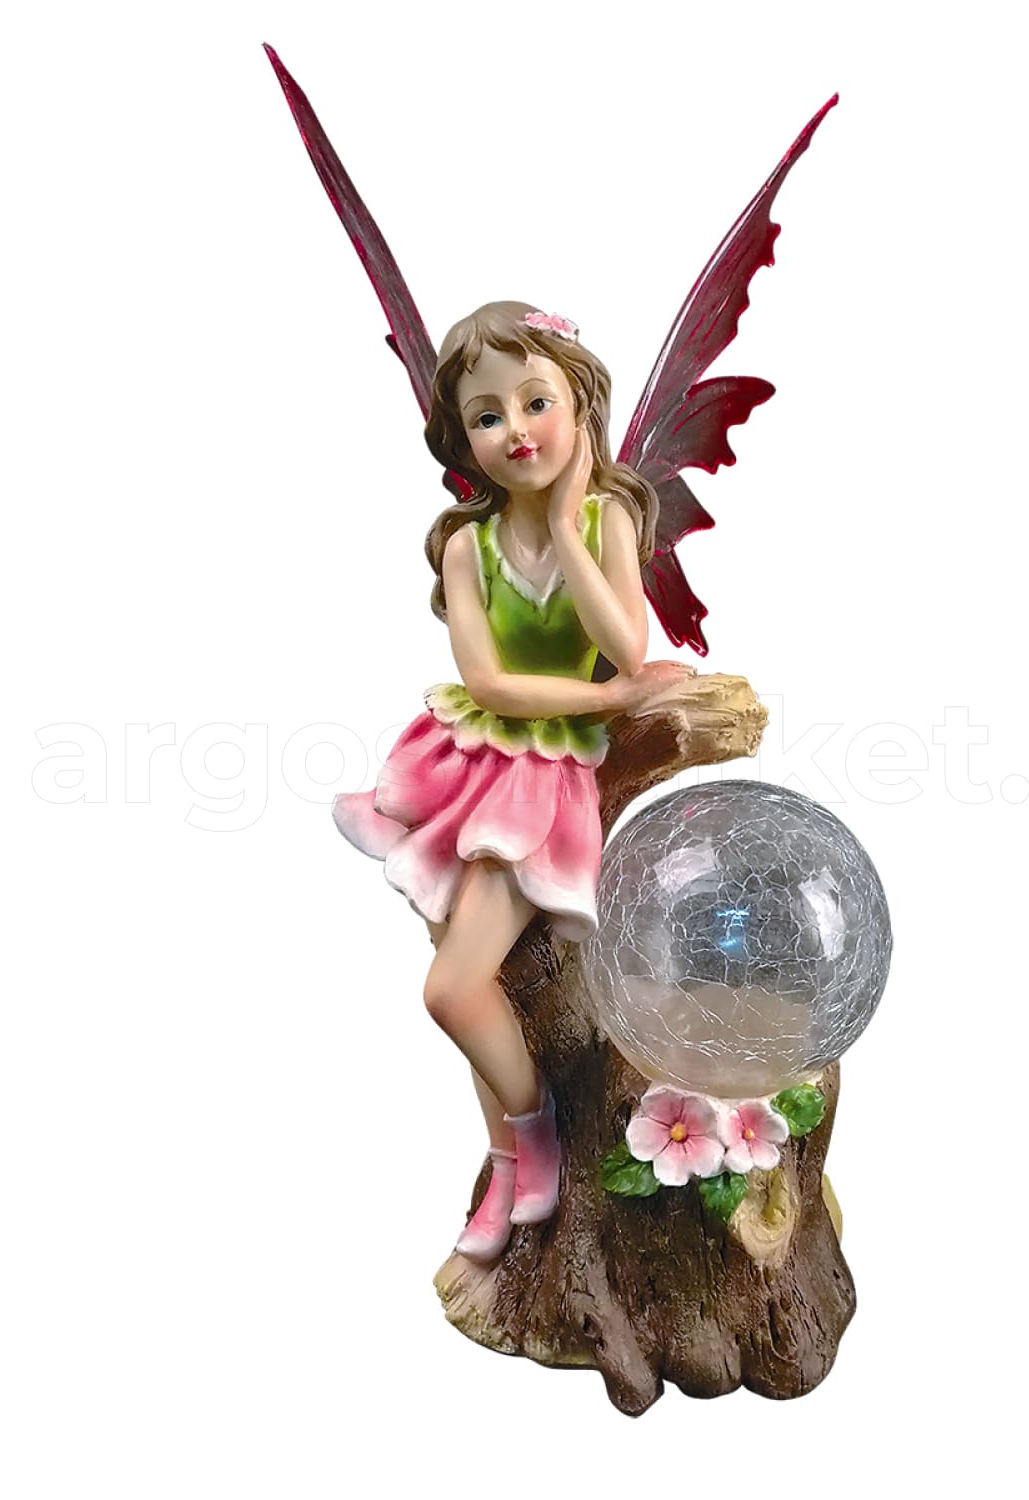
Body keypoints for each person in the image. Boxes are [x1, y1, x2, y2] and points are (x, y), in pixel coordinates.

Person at [333, 302, 689, 1261]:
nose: (516, 430)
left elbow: (628, 645)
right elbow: (489, 682)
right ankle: (508, 1160)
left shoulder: (609, 518)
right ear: (462, 438)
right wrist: (608, 700)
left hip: (540, 777)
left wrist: (569, 525)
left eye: (536, 402)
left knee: (453, 990)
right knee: (481, 988)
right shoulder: (466, 546)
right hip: (462, 762)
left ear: (581, 407)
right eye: (487, 416)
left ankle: (534, 1141)